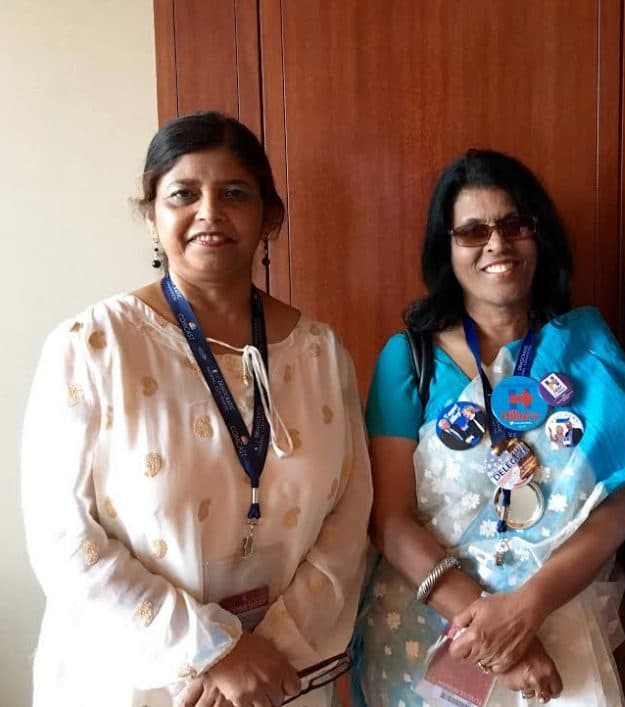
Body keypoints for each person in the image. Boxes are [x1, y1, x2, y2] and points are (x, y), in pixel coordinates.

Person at [21, 112, 372, 707]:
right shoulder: (93, 347)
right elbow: (63, 538)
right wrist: (216, 651)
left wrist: (265, 655)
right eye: (183, 194)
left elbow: (349, 516)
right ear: (152, 216)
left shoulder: (318, 352)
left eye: (235, 193)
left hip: (280, 678)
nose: (209, 212)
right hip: (140, 682)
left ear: (270, 217)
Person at [353, 149, 625, 706]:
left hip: (557, 624)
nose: (497, 243)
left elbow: (616, 507)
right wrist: (491, 632)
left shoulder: (586, 352)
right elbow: (389, 522)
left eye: (515, 224)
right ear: (446, 247)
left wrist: (524, 609)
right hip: (431, 641)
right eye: (472, 230)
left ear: (540, 235)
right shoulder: (408, 359)